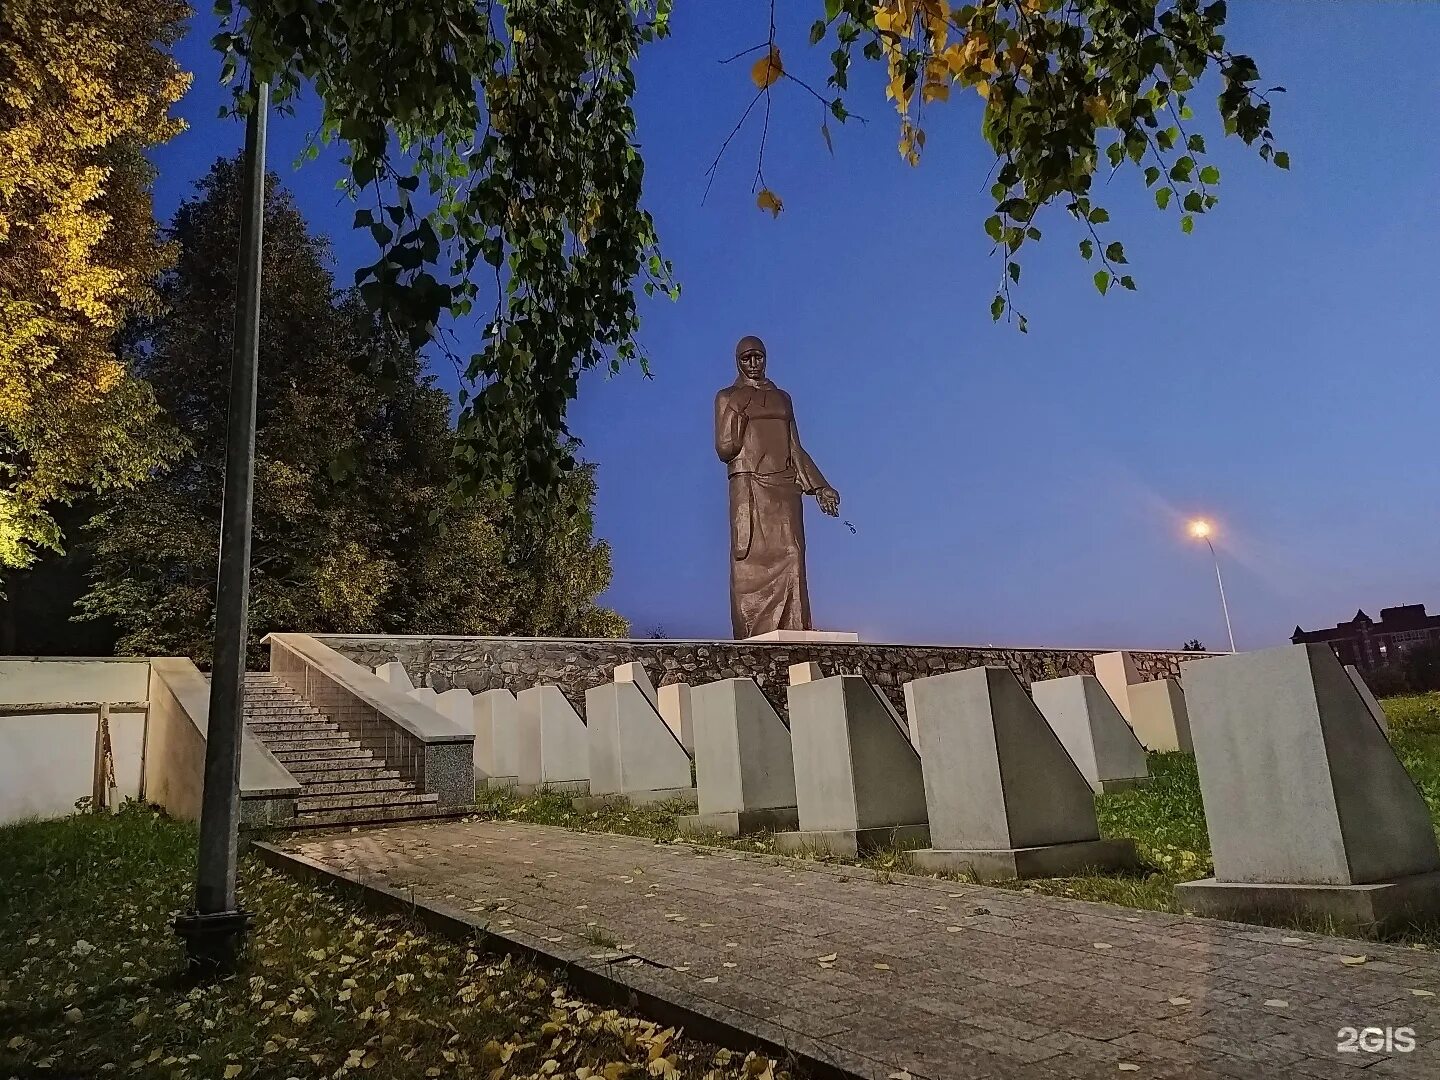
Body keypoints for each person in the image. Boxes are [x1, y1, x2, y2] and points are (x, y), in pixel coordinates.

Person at [714, 335, 840, 639]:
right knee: (748, 562)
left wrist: (821, 486)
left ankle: (796, 628)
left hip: (784, 487)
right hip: (750, 488)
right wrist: (738, 414)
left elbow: (795, 447)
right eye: (747, 358)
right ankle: (753, 633)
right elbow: (725, 448)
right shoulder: (727, 397)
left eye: (759, 356)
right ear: (738, 361)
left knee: (794, 553)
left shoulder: (783, 398)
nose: (754, 363)